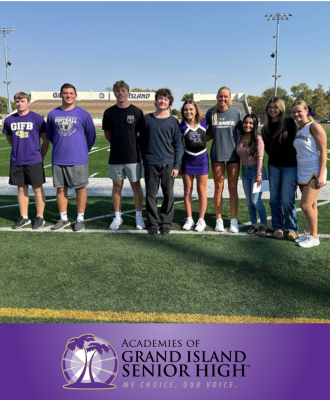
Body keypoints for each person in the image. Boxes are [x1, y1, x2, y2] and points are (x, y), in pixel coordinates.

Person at [46, 83, 96, 232]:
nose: (68, 95)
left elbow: (91, 135)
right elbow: (50, 134)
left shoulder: (83, 114)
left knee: (80, 189)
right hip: (59, 158)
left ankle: (80, 218)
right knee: (61, 189)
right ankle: (63, 218)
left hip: (78, 158)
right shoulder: (53, 114)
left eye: (71, 93)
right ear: (60, 95)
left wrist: (82, 150)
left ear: (75, 95)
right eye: (65, 93)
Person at [2, 92, 49, 229]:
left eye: (22, 101)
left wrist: (42, 155)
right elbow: (9, 138)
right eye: (17, 101)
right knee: (21, 189)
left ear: (28, 103)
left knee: (37, 189)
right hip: (17, 160)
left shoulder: (37, 118)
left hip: (34, 159)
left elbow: (45, 139)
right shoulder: (10, 120)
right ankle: (24, 217)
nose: (19, 103)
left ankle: (40, 217)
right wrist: (18, 149)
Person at [102, 80, 145, 230]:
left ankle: (138, 216)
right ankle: (117, 216)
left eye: (123, 90)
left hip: (133, 156)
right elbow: (107, 133)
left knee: (136, 186)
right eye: (118, 91)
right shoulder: (109, 112)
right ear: (114, 93)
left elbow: (142, 134)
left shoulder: (137, 112)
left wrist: (132, 144)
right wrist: (117, 144)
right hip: (116, 156)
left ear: (128, 93)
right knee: (117, 187)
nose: (120, 93)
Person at [140, 88, 181, 235]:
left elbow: (178, 145)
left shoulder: (173, 122)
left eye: (166, 99)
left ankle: (166, 222)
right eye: (160, 98)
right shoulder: (147, 119)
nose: (162, 101)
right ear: (156, 101)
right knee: (151, 194)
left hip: (168, 163)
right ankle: (153, 223)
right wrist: (145, 159)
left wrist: (176, 166)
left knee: (168, 194)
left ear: (169, 102)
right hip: (151, 163)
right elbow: (142, 143)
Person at [206, 86, 242, 233]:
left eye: (225, 96)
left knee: (233, 189)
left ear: (230, 98)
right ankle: (219, 219)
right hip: (217, 155)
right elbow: (208, 133)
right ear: (217, 97)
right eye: (220, 96)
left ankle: (234, 221)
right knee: (218, 188)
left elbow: (243, 132)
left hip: (233, 155)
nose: (223, 99)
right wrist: (193, 142)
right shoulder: (210, 113)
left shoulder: (236, 112)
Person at [261, 97, 298, 240]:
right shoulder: (265, 127)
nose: (272, 109)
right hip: (274, 165)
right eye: (270, 107)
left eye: (275, 107)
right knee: (274, 199)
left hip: (290, 166)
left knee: (287, 198)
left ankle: (292, 228)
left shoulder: (288, 122)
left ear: (281, 108)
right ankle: (278, 227)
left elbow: (295, 142)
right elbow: (268, 150)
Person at [292, 101, 327, 248]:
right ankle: (309, 233)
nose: (296, 114)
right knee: (312, 205)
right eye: (293, 112)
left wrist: (320, 175)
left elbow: (323, 152)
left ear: (307, 111)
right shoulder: (299, 128)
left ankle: (314, 237)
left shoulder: (314, 127)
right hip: (302, 171)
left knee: (305, 205)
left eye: (299, 111)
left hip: (314, 171)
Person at [179, 100, 209, 232]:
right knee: (187, 190)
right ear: (183, 112)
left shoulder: (204, 122)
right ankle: (189, 218)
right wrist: (179, 163)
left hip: (202, 160)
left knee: (201, 191)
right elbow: (179, 145)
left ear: (196, 110)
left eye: (191, 109)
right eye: (186, 110)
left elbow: (210, 135)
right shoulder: (181, 126)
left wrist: (202, 142)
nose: (188, 112)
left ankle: (201, 219)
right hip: (187, 160)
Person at [237, 114, 268, 235]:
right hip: (245, 171)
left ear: (255, 125)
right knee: (249, 201)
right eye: (245, 122)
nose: (247, 125)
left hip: (257, 171)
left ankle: (264, 225)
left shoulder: (258, 138)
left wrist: (259, 174)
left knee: (256, 201)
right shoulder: (239, 135)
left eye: (250, 123)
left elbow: (261, 157)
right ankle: (254, 225)